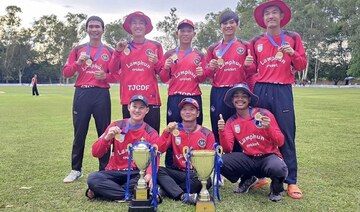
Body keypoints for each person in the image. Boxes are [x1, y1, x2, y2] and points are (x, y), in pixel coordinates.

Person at [248, 0, 307, 199]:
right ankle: (262, 176)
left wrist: (294, 53)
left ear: (281, 16)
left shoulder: (292, 37)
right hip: (261, 89)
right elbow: (251, 69)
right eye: (267, 14)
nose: (270, 16)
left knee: (286, 134)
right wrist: (247, 65)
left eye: (274, 13)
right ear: (263, 19)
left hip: (282, 90)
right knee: (260, 132)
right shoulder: (256, 41)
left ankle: (291, 181)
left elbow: (301, 64)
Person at [62, 16, 119, 183]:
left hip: (101, 94)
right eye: (91, 26)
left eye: (98, 27)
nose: (94, 30)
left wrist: (106, 76)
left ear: (103, 30)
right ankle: (75, 169)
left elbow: (116, 75)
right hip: (82, 94)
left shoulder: (109, 51)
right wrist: (77, 63)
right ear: (87, 29)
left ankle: (105, 169)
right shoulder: (78, 49)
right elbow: (67, 72)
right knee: (79, 132)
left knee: (104, 132)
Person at [218, 83, 288, 202]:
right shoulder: (231, 121)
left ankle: (276, 189)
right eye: (236, 96)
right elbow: (228, 149)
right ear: (232, 100)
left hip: (268, 157)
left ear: (249, 99)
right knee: (220, 161)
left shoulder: (264, 114)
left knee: (278, 168)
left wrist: (269, 128)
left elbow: (280, 142)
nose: (240, 99)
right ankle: (248, 179)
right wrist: (222, 132)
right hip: (249, 159)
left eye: (244, 96)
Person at [86, 95, 159, 201]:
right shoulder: (116, 126)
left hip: (135, 173)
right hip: (114, 172)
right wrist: (107, 138)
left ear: (147, 110)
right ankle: (131, 195)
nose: (137, 110)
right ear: (129, 107)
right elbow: (95, 153)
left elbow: (154, 156)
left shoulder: (151, 132)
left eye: (141, 107)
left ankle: (104, 192)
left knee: (147, 179)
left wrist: (149, 174)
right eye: (134, 106)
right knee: (93, 178)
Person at [159, 19, 207, 167]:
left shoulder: (199, 54)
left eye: (189, 31)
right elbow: (163, 78)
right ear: (177, 33)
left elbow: (204, 77)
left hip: (193, 96)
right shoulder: (169, 53)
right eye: (182, 31)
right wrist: (166, 67)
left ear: (194, 33)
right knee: (173, 130)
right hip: (175, 96)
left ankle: (196, 166)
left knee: (196, 131)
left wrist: (201, 73)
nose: (185, 33)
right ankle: (170, 165)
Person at [205, 10, 255, 148]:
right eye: (225, 23)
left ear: (237, 24)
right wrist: (211, 67)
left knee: (239, 126)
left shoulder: (245, 45)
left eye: (232, 22)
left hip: (238, 92)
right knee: (218, 126)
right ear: (220, 27)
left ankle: (239, 161)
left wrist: (247, 66)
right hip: (218, 91)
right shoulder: (213, 48)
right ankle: (219, 163)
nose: (228, 26)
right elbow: (207, 73)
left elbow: (253, 70)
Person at [109, 11, 163, 133]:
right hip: (129, 100)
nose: (137, 26)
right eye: (134, 23)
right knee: (130, 138)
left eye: (141, 23)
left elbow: (163, 74)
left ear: (146, 26)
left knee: (152, 139)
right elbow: (112, 70)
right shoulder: (122, 47)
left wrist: (156, 62)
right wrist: (117, 52)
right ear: (129, 27)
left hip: (150, 99)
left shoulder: (156, 46)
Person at [157, 98, 215, 204]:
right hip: (177, 172)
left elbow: (210, 161)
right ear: (180, 113)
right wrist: (166, 132)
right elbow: (159, 149)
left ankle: (166, 190)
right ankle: (183, 195)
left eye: (192, 109)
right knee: (157, 170)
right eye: (184, 109)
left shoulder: (207, 133)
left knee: (205, 181)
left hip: (195, 174)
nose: (187, 112)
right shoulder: (174, 130)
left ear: (198, 113)